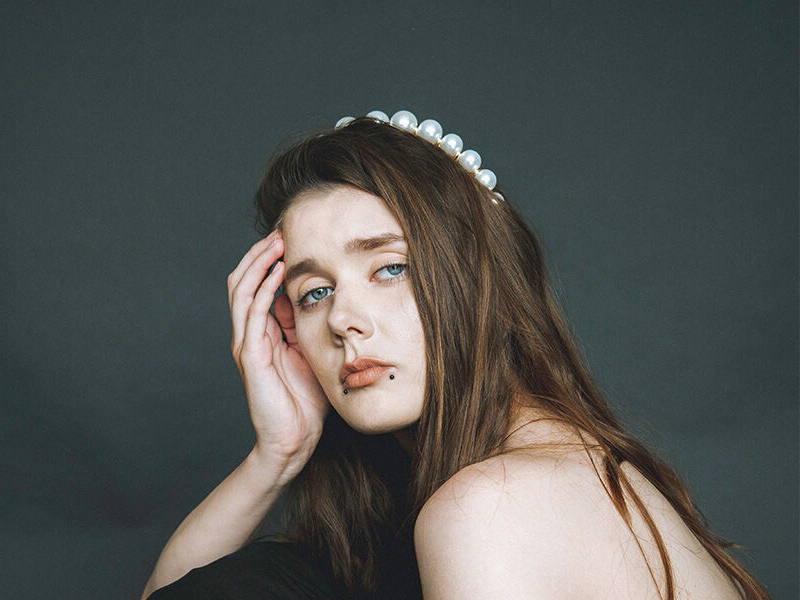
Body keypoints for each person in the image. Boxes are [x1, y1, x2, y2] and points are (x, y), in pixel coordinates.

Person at [140, 111, 771, 600]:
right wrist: (277, 455)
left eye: (390, 268)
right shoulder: (544, 473)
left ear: (477, 279)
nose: (342, 319)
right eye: (315, 292)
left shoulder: (492, 506)